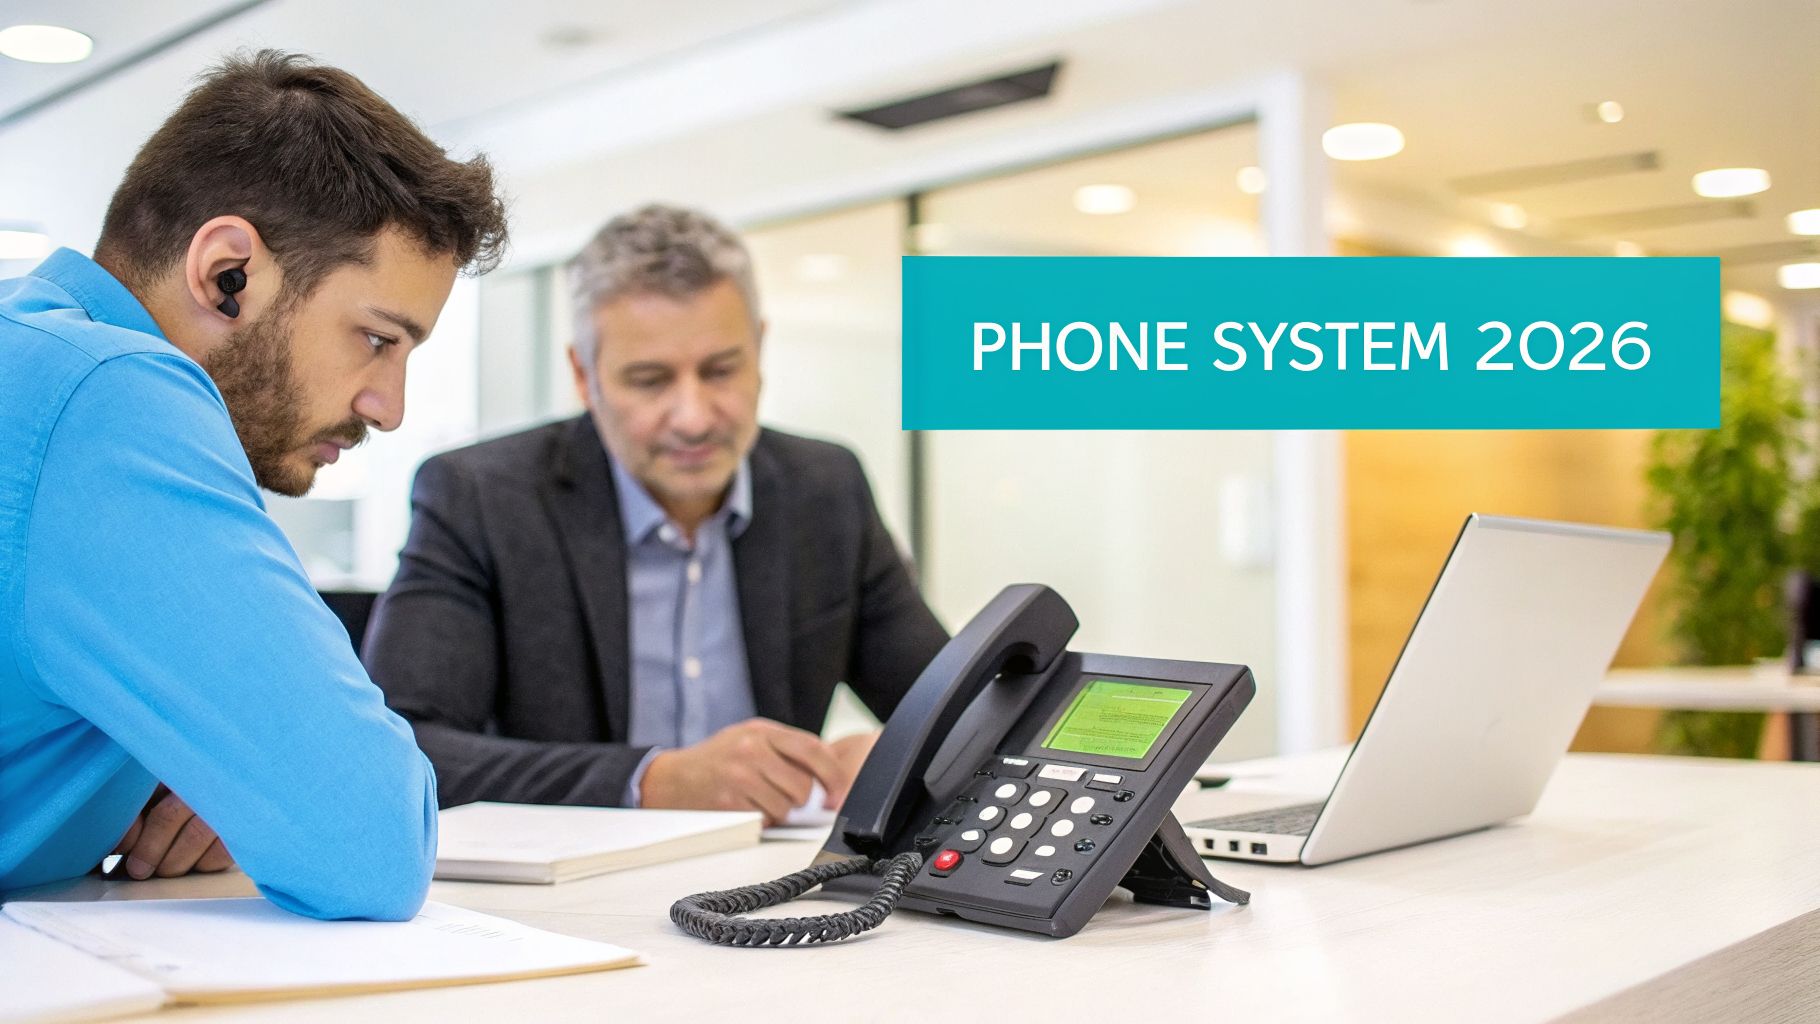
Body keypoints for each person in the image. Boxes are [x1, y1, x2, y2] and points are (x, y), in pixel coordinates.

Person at [0, 51, 510, 920]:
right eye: (378, 339)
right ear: (226, 273)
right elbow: (370, 843)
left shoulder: (32, 354)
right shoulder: (108, 394)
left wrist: (209, 761)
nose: (386, 408)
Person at [364, 204, 948, 824]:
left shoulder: (825, 489)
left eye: (722, 370)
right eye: (650, 380)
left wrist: (900, 755)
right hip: (568, 890)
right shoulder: (480, 496)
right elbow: (402, 748)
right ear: (584, 377)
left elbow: (967, 709)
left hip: (773, 889)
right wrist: (652, 780)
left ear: (760, 353)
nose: (694, 417)